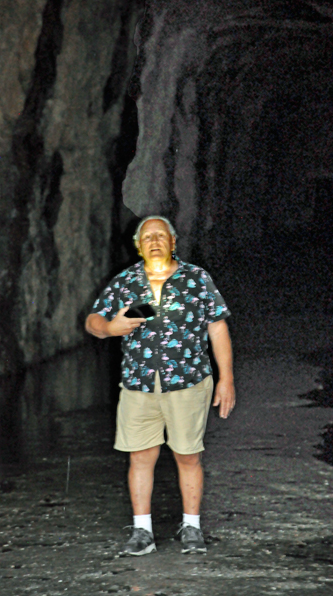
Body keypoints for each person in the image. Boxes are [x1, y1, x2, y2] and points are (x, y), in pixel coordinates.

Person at [85, 215, 235, 556]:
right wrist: (110, 328)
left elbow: (217, 328)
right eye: (147, 236)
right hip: (138, 384)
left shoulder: (197, 279)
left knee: (187, 456)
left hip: (187, 382)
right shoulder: (125, 282)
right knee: (140, 457)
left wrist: (226, 378)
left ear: (174, 242)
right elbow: (93, 320)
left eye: (161, 235)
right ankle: (142, 532)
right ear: (138, 246)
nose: (154, 240)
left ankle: (192, 527)